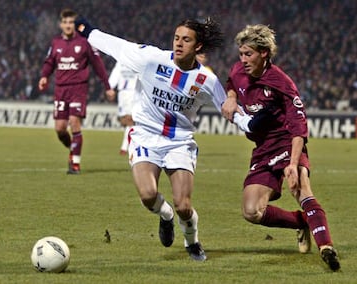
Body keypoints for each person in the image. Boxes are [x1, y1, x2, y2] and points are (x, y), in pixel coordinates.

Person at [74, 16, 262, 261]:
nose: (179, 44)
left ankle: (192, 241)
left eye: (186, 40)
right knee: (148, 195)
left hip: (179, 142)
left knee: (184, 205)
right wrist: (88, 32)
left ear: (198, 47)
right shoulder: (151, 59)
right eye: (176, 38)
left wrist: (251, 124)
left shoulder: (207, 80)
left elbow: (227, 108)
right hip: (145, 136)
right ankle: (165, 216)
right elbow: (118, 46)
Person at [222, 24, 340, 271]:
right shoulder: (238, 70)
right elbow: (231, 81)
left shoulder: (282, 83)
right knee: (251, 211)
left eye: (249, 54)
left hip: (287, 143)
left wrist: (294, 165)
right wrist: (231, 97)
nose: (243, 60)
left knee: (301, 189)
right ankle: (301, 222)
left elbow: (299, 129)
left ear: (264, 52)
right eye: (241, 54)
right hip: (263, 148)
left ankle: (326, 247)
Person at [38, 8, 115, 174]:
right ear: (60, 24)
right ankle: (72, 149)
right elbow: (49, 62)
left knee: (74, 122)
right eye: (65, 22)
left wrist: (107, 86)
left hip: (78, 88)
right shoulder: (55, 43)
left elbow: (98, 64)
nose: (68, 25)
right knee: (59, 129)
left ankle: (75, 164)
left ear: (75, 24)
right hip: (60, 89)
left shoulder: (84, 42)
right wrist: (44, 77)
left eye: (71, 22)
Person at [108, 61, 139, 155]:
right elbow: (115, 75)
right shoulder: (121, 61)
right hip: (122, 93)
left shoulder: (137, 60)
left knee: (130, 120)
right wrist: (110, 88)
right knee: (124, 121)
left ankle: (125, 147)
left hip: (133, 92)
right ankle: (130, 145)